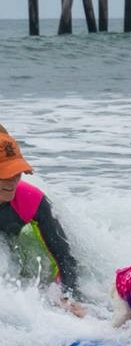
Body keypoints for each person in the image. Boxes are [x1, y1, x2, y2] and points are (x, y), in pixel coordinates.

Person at [0, 125, 85, 317]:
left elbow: (63, 258)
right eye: (4, 173)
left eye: (17, 171)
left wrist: (67, 296)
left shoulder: (30, 199)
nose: (13, 180)